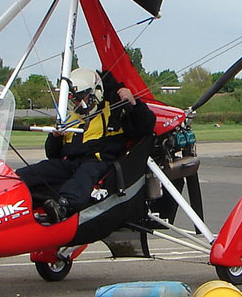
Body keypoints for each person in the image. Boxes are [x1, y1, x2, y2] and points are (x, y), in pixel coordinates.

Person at [17, 68, 155, 222]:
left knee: (86, 171)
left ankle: (64, 205)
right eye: (74, 99)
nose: (78, 103)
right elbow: (53, 155)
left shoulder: (113, 111)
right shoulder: (70, 118)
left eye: (81, 97)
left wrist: (134, 105)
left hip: (99, 163)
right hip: (70, 164)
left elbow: (144, 127)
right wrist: (55, 138)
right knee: (39, 170)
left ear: (96, 93)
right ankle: (15, 194)